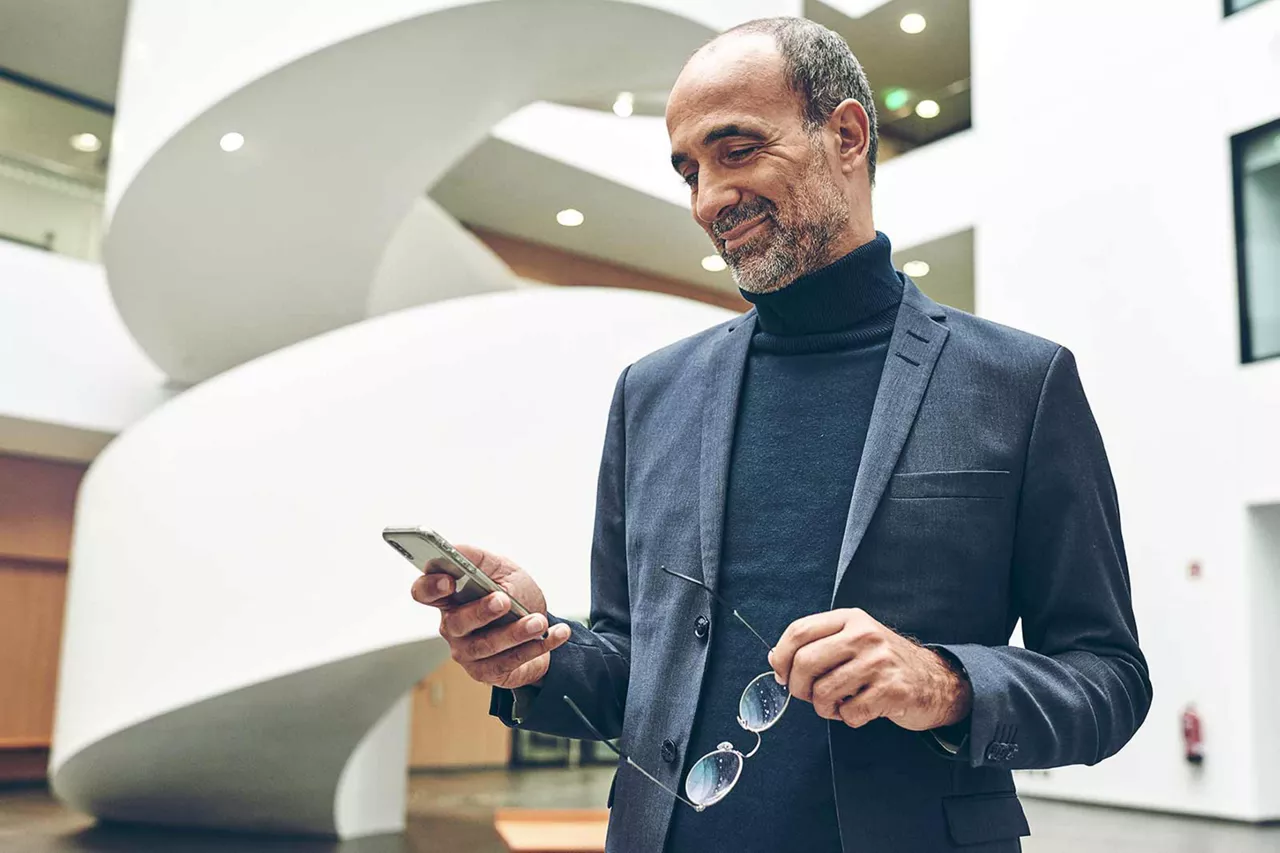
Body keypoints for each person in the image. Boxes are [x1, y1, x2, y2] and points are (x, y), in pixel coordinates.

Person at [411, 16, 1151, 853]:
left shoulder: (1019, 381)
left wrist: (943, 681)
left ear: (845, 133)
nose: (706, 200)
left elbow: (1109, 678)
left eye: (736, 150)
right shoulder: (650, 394)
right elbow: (637, 673)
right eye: (688, 170)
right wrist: (538, 652)